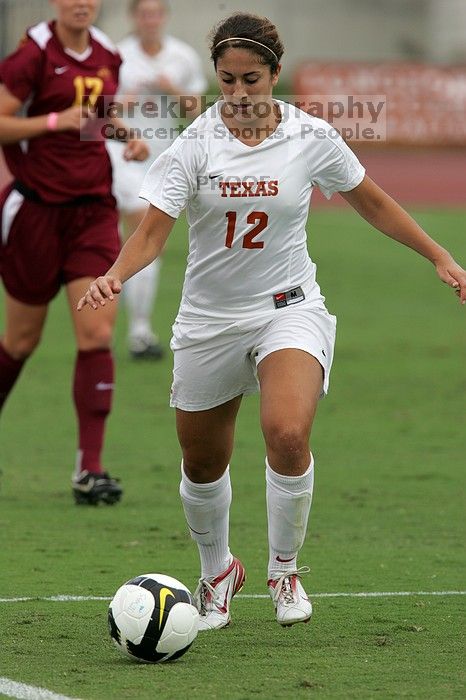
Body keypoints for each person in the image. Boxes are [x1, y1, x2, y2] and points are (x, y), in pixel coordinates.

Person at [78, 12, 466, 627]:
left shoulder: (311, 137)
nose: (237, 94)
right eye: (226, 80)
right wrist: (115, 276)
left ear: (275, 75)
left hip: (289, 308)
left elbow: (374, 202)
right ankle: (216, 572)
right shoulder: (193, 146)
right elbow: (151, 233)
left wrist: (440, 255)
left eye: (251, 80)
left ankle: (284, 572)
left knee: (287, 432)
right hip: (208, 318)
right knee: (202, 463)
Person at [0, 0, 149, 505]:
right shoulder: (32, 55)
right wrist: (52, 121)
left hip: (92, 212)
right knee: (20, 341)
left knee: (97, 331)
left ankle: (91, 469)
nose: (82, 3)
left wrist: (125, 135)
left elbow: (95, 117)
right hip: (35, 212)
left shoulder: (108, 53)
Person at [106, 0, 207, 359]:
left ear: (164, 17)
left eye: (156, 13)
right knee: (142, 229)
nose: (150, 20)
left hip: (163, 157)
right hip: (122, 153)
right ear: (134, 17)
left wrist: (172, 89)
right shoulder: (117, 55)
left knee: (143, 240)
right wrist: (123, 105)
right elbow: (95, 111)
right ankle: (138, 331)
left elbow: (197, 108)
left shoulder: (182, 57)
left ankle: (131, 328)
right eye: (143, 13)